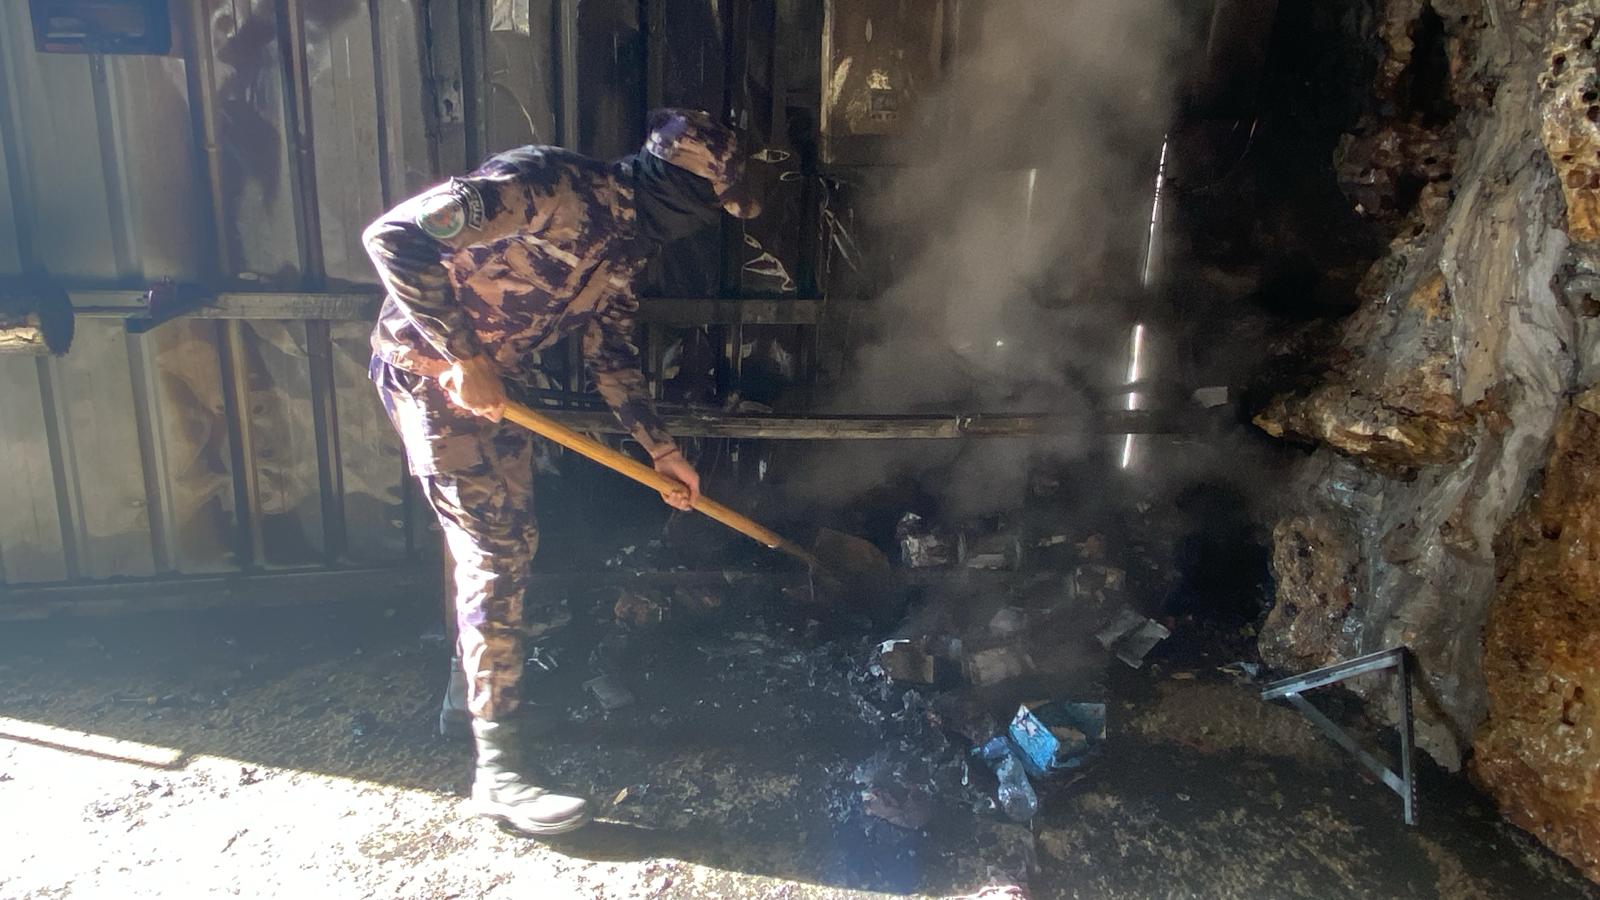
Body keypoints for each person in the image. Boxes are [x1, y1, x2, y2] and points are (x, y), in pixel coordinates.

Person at [363, 108, 760, 835]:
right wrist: (463, 355)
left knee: (506, 545)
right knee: (495, 552)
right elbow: (392, 237)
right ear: (679, 188)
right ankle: (498, 772)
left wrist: (660, 450)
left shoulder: (628, 249)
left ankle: (467, 702)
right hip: (429, 375)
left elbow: (611, 355)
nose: (703, 224)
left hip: (491, 393)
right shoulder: (546, 184)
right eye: (709, 205)